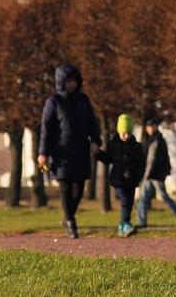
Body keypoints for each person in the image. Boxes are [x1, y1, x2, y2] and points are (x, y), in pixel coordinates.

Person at [37, 64, 101, 239]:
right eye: (68, 81)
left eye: (74, 81)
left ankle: (68, 217)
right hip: (61, 152)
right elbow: (46, 128)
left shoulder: (83, 100)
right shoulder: (53, 102)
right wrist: (43, 152)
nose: (72, 84)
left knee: (79, 190)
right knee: (65, 188)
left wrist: (96, 141)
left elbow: (92, 123)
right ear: (61, 82)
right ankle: (71, 222)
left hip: (80, 150)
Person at [96, 113, 145, 236]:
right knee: (124, 201)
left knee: (129, 203)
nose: (126, 136)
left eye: (128, 133)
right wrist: (98, 153)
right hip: (118, 179)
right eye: (123, 133)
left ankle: (122, 226)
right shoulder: (113, 145)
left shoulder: (136, 146)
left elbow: (141, 163)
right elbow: (107, 159)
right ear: (119, 131)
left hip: (132, 180)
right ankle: (126, 224)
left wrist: (139, 176)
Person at [138, 117, 176, 229]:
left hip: (155, 175)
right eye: (148, 126)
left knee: (164, 198)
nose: (150, 128)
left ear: (156, 127)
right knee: (142, 199)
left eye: (152, 126)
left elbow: (154, 160)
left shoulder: (157, 140)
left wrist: (147, 175)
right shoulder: (150, 140)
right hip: (151, 175)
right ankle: (142, 222)